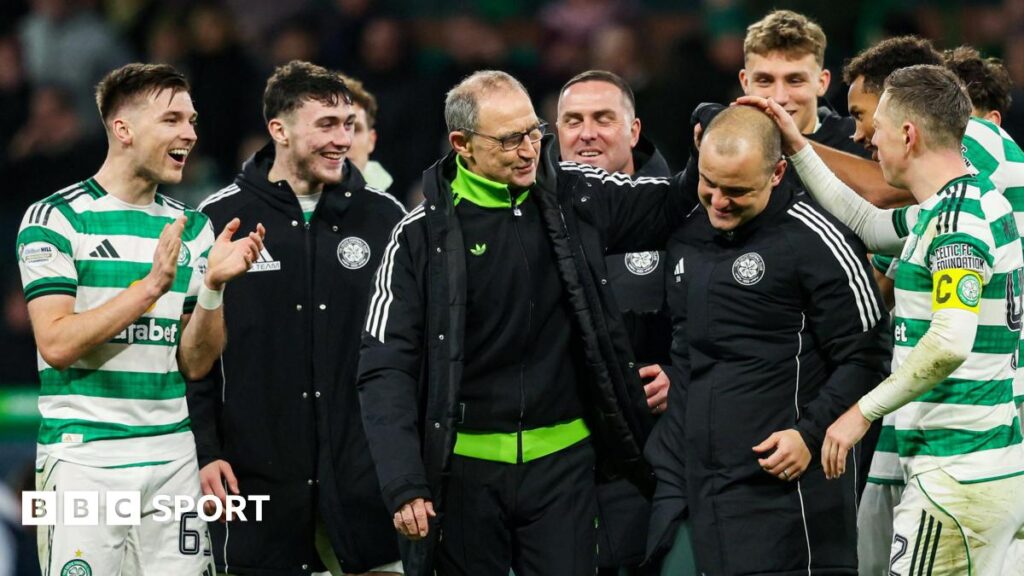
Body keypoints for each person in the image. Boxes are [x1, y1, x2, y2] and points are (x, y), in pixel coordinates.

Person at [357, 70, 697, 576]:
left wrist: (713, 129)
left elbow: (673, 203)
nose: (529, 149)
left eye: (534, 131)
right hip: (465, 473)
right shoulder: (417, 238)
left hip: (566, 470)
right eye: (510, 138)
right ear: (462, 145)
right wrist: (404, 482)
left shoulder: (576, 197)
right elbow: (384, 367)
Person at [748, 63, 1024, 575]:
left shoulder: (956, 223)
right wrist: (797, 147)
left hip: (957, 478)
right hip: (983, 472)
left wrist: (860, 414)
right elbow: (868, 223)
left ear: (909, 134)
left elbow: (948, 342)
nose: (869, 141)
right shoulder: (961, 203)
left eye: (877, 128)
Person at [15, 62, 264, 575]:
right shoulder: (56, 219)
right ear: (123, 129)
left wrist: (213, 288)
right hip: (85, 459)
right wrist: (150, 288)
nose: (190, 134)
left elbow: (196, 364)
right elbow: (57, 343)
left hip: (172, 455)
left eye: (192, 120)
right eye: (172, 119)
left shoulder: (193, 228)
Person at [646, 104, 889, 574]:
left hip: (788, 492)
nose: (718, 201)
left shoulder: (817, 239)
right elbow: (693, 347)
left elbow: (868, 355)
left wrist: (810, 433)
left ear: (778, 172)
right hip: (697, 486)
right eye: (708, 184)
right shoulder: (685, 231)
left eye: (737, 191)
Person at [188, 61, 405, 576]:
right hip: (254, 485)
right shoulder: (218, 219)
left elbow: (412, 349)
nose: (342, 139)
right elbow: (193, 359)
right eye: (326, 125)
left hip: (367, 486)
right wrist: (205, 450)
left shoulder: (387, 218)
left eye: (348, 125)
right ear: (279, 130)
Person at [555, 69, 688, 576]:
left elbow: (719, 316)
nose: (586, 132)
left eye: (602, 119)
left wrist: (681, 374)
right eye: (573, 120)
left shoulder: (683, 209)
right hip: (560, 459)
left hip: (654, 454)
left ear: (634, 131)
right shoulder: (533, 215)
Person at [735, 9, 867, 157]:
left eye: (795, 81)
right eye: (765, 81)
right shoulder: (721, 141)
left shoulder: (861, 145)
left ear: (822, 83)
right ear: (745, 82)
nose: (779, 98)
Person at [337, 73, 394, 193]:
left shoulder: (392, 209)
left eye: (355, 129)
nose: (343, 141)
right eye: (327, 127)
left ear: (371, 141)